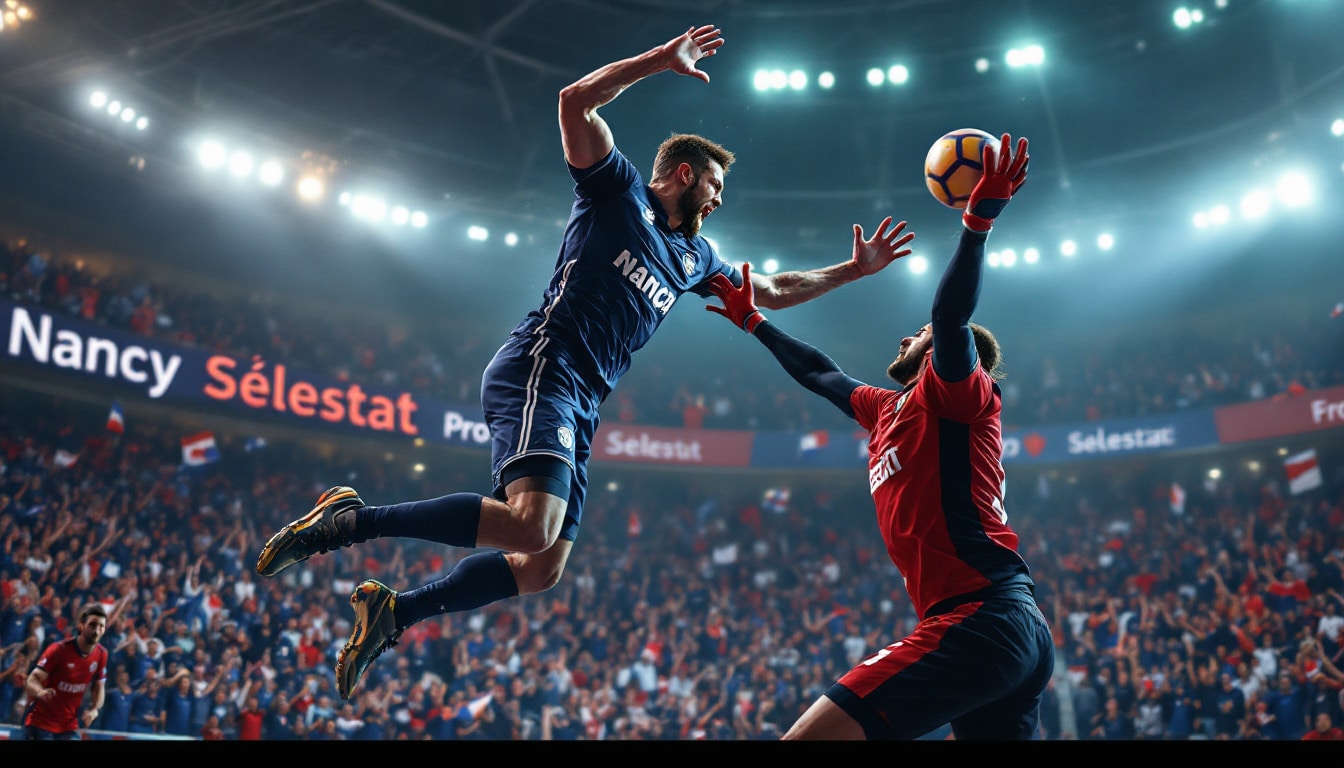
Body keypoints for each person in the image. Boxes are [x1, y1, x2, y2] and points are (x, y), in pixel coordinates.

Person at [254, 23, 914, 700]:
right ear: (682, 173)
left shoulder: (697, 258)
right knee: (529, 524)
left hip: (584, 401)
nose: (718, 200)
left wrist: (852, 272)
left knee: (541, 567)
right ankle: (350, 521)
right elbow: (575, 101)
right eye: (713, 185)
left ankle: (397, 611)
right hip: (544, 365)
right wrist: (660, 60)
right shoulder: (617, 192)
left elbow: (770, 290)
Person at [703, 134, 1055, 740]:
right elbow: (822, 374)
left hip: (980, 618)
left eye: (915, 335)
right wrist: (754, 321)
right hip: (996, 626)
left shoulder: (959, 395)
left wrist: (977, 223)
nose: (904, 338)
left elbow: (950, 318)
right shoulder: (890, 409)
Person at [22, 603, 109, 740]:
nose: (97, 631)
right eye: (93, 625)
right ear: (81, 625)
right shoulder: (59, 650)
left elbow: (99, 687)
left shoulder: (102, 654)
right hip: (40, 723)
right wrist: (40, 692)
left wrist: (95, 709)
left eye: (101, 626)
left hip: (68, 727)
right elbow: (31, 680)